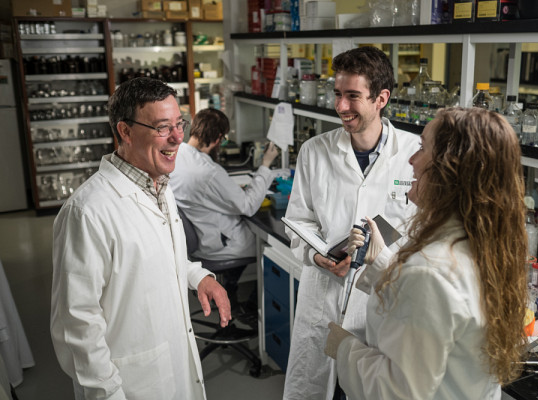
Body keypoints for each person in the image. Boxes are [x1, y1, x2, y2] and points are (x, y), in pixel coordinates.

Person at [325, 107, 529, 399]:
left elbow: (396, 392)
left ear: (451, 168)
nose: (411, 160)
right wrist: (383, 260)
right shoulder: (487, 247)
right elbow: (446, 305)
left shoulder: (429, 271)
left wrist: (345, 348)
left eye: (422, 148)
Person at [50, 77, 231, 400]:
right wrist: (108, 394)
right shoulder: (87, 212)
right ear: (125, 131)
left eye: (180, 124)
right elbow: (76, 326)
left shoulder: (160, 184)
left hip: (172, 365)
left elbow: (157, 255)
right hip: (130, 385)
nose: (178, 138)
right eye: (163, 127)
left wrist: (198, 277)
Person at [283, 46, 420, 400]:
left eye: (353, 96)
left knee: (368, 389)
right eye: (338, 94)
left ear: (381, 98)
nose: (341, 106)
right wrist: (318, 257)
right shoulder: (315, 150)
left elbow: (422, 236)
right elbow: (298, 222)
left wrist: (383, 257)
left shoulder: (414, 154)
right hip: (323, 297)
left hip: (380, 305)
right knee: (316, 388)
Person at [170, 108, 279, 261]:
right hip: (220, 244)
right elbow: (247, 206)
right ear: (218, 139)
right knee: (274, 247)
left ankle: (233, 281)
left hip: (197, 238)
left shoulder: (176, 154)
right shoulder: (209, 172)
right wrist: (266, 164)